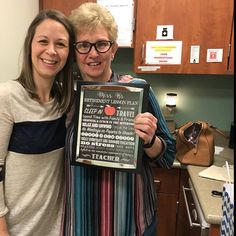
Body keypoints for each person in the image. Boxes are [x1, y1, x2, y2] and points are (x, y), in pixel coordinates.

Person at [65, 2, 176, 236]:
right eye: (83, 45)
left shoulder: (137, 90)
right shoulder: (64, 99)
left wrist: (149, 141)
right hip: (80, 224)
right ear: (74, 52)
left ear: (113, 49)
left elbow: (167, 156)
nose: (93, 53)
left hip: (131, 223)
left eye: (102, 44)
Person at [0, 9, 76, 236]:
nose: (51, 51)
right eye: (43, 41)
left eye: (60, 44)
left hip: (56, 228)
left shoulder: (66, 101)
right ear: (30, 45)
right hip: (15, 229)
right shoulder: (7, 97)